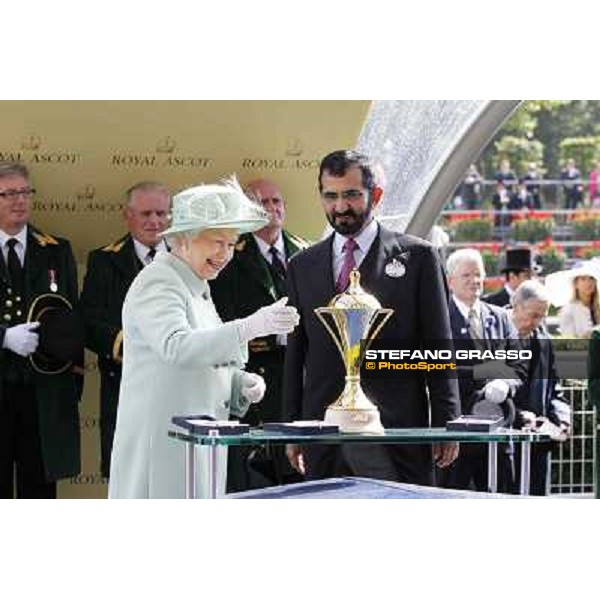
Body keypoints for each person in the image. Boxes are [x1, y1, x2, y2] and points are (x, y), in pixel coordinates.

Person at [108, 178, 300, 499]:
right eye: (217, 241)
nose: (225, 254)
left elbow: (199, 363)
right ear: (183, 240)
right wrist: (249, 327)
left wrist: (238, 384)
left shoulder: (195, 284)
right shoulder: (160, 281)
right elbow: (177, 346)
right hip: (163, 449)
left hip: (193, 444)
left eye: (231, 244)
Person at [283, 149, 460, 486]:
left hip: (396, 431)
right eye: (330, 196)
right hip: (324, 433)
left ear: (375, 195)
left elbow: (439, 346)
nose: (340, 207)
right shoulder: (301, 266)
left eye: (351, 195)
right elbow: (297, 354)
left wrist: (446, 421)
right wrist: (293, 426)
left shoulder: (419, 258)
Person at [210, 178, 309, 492]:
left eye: (276, 202)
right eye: (263, 203)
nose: (272, 209)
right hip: (255, 378)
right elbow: (223, 319)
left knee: (300, 478)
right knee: (258, 476)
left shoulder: (305, 251)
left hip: (299, 380)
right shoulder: (230, 256)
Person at [0, 161, 82, 498]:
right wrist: (4, 337)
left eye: (25, 192)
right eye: (8, 194)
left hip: (44, 391)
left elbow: (72, 321)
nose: (19, 200)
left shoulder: (56, 250)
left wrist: (72, 384)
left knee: (39, 491)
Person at [80, 181, 171, 479]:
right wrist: (128, 346)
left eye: (161, 213)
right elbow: (88, 322)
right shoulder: (105, 261)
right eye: (145, 214)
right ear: (127, 215)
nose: (154, 222)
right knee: (128, 479)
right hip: (125, 387)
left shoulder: (193, 257)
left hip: (180, 387)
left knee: (176, 476)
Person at [443, 248, 523, 492]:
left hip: (497, 430)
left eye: (478, 274)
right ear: (450, 280)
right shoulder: (439, 318)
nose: (474, 281)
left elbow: (518, 364)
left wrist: (505, 384)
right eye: (466, 275)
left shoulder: (500, 317)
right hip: (456, 433)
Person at [508, 280, 571, 495]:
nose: (538, 321)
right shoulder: (493, 336)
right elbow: (484, 389)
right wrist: (517, 415)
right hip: (503, 443)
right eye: (533, 315)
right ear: (515, 305)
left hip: (538, 443)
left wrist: (563, 419)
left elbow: (555, 390)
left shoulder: (545, 341)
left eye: (542, 316)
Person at [546, 261, 600, 339]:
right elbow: (568, 340)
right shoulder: (568, 310)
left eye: (591, 278)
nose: (588, 283)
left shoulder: (597, 307)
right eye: (583, 279)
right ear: (576, 284)